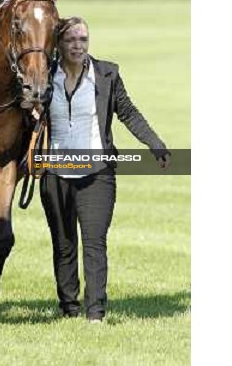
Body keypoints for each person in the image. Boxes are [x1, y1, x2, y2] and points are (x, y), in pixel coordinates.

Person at [40, 17, 170, 323]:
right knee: (64, 243)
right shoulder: (44, 76)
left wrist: (155, 144)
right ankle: (68, 305)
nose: (77, 46)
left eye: (83, 39)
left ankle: (95, 313)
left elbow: (128, 112)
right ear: (58, 44)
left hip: (98, 171)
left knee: (95, 242)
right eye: (70, 40)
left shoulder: (106, 73)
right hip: (55, 172)